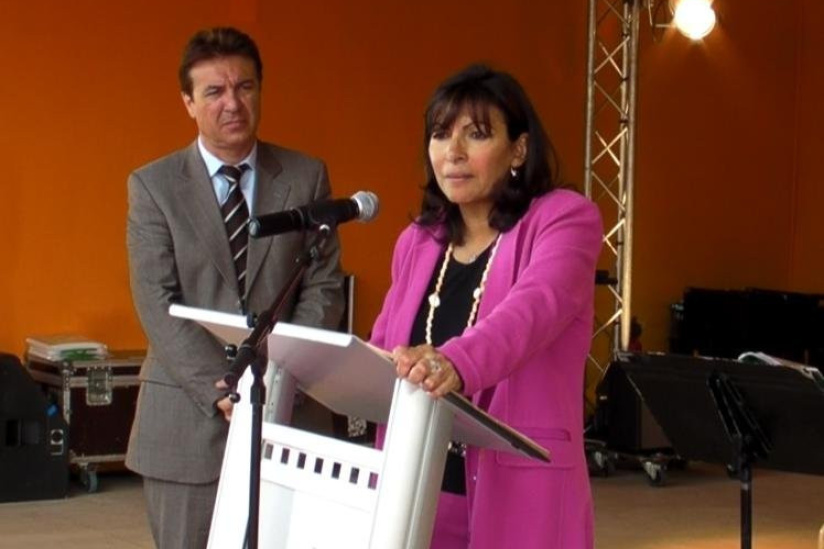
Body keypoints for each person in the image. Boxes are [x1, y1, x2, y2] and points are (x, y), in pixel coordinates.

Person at [125, 27, 344, 548]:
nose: (232, 103)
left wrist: (278, 373)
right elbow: (157, 301)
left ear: (260, 90)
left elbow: (323, 285)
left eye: (244, 87)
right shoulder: (153, 186)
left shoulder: (306, 176)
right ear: (188, 102)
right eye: (214, 91)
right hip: (188, 417)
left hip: (288, 410)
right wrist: (223, 385)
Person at [370, 64, 602, 549]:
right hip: (414, 489)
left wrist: (454, 362)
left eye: (476, 134)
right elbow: (382, 349)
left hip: (519, 493)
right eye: (440, 134)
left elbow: (534, 310)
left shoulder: (564, 219)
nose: (452, 152)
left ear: (518, 149)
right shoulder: (418, 241)